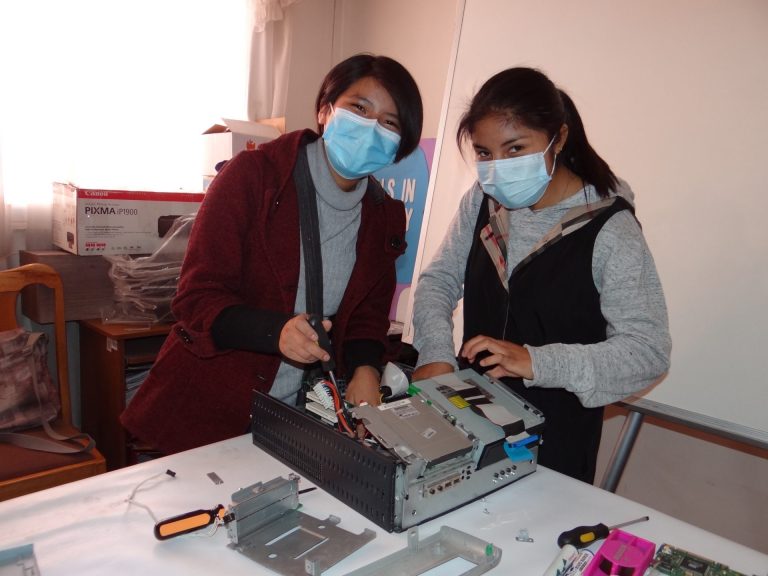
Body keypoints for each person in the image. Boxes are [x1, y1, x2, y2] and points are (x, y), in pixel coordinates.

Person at [121, 54, 423, 455]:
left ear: (400, 145)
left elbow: (367, 315)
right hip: (205, 420)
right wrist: (274, 331)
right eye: (359, 109)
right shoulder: (254, 177)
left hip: (295, 426)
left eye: (389, 123)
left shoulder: (384, 215)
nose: (371, 128)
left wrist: (366, 368)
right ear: (324, 109)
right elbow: (197, 300)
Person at [411, 67, 670, 484]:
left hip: (555, 451)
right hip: (469, 430)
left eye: (515, 149)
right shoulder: (481, 202)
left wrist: (537, 361)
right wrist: (436, 354)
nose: (497, 167)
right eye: (484, 153)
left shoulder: (609, 227)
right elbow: (438, 280)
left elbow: (647, 352)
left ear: (559, 138)